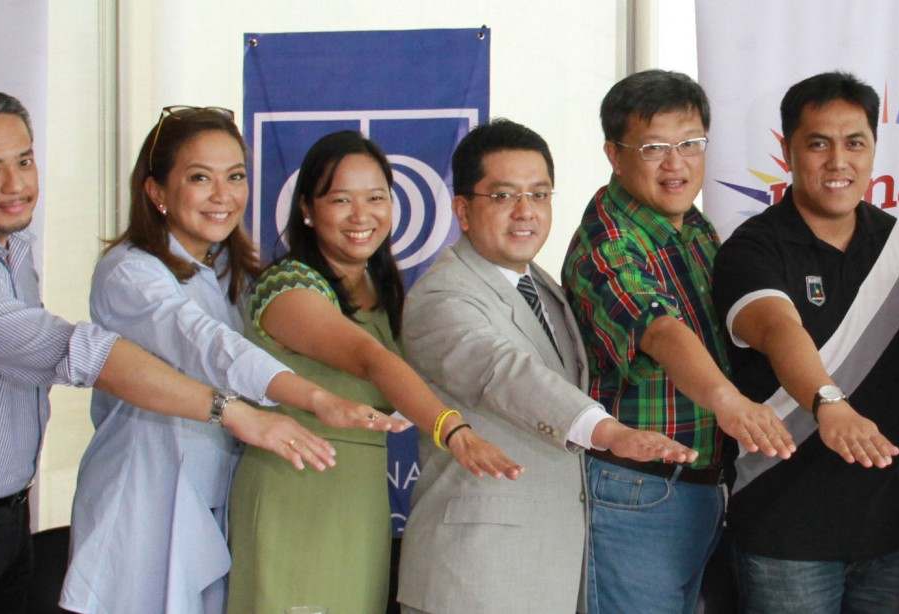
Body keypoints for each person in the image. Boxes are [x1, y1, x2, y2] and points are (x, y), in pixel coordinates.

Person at [0, 90, 335, 614]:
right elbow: (88, 353)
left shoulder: (7, 244)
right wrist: (237, 412)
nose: (17, 185)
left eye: (25, 161)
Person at [62, 106, 405, 614]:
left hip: (219, 502)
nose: (223, 196)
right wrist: (311, 398)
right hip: (147, 499)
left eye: (236, 177)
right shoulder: (130, 272)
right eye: (200, 178)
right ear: (156, 191)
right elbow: (204, 344)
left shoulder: (234, 270)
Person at [395, 119, 697, 614]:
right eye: (503, 197)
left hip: (548, 567)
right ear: (463, 210)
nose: (525, 213)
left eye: (539, 195)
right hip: (473, 577)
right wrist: (606, 431)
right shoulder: (442, 295)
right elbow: (504, 372)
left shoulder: (544, 287)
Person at [226, 130, 521, 614]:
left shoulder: (384, 289)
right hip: (295, 492)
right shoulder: (287, 286)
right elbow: (369, 359)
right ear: (306, 208)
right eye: (340, 199)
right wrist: (455, 431)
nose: (362, 216)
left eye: (376, 198)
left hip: (360, 501)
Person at [564, 69, 795, 614]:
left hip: (702, 487)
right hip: (637, 493)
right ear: (614, 154)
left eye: (690, 143)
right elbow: (660, 329)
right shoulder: (608, 241)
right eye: (655, 147)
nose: (677, 163)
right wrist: (729, 402)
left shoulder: (693, 226)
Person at [711, 71, 899, 613]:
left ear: (874, 149)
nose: (839, 162)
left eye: (855, 143)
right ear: (788, 151)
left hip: (891, 535)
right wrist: (829, 402)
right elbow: (780, 329)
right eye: (818, 144)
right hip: (785, 536)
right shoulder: (753, 247)